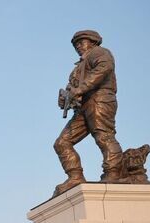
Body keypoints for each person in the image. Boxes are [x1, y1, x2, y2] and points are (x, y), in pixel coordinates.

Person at [54, 30, 122, 196]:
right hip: (82, 107)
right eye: (76, 44)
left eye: (81, 42)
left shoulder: (100, 53)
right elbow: (72, 88)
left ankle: (113, 172)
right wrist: (65, 99)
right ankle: (75, 176)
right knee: (62, 143)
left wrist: (80, 89)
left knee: (103, 136)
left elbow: (103, 69)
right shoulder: (77, 68)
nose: (78, 46)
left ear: (93, 42)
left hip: (100, 100)